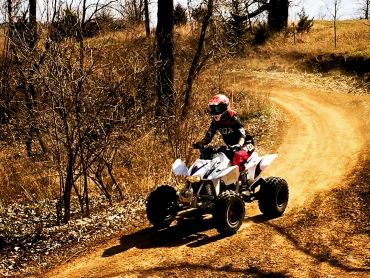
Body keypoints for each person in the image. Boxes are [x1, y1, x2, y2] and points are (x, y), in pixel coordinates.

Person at [193, 94, 255, 180]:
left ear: (224, 107)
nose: (214, 111)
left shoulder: (233, 118)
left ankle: (242, 180)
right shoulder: (216, 122)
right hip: (230, 146)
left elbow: (242, 134)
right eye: (212, 109)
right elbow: (209, 136)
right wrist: (200, 143)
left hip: (246, 143)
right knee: (212, 156)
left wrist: (239, 145)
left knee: (237, 155)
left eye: (217, 108)